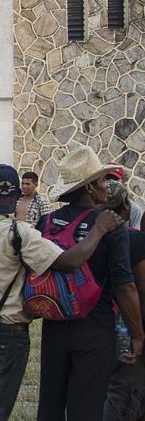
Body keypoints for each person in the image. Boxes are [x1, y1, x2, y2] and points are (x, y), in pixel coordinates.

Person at [0, 164, 118, 420]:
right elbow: (67, 261)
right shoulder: (20, 232)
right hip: (10, 328)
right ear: (18, 196)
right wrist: (99, 229)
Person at [36, 147, 143, 420]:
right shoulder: (110, 225)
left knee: (50, 402)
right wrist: (138, 335)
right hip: (95, 329)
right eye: (102, 180)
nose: (106, 186)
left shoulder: (46, 222)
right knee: (87, 405)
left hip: (54, 325)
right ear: (91, 188)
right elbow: (124, 285)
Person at [101, 179, 145, 421]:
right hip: (125, 323)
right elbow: (135, 288)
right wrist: (140, 333)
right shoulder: (134, 239)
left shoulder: (87, 234)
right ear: (126, 209)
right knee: (124, 389)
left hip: (91, 322)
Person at [106, 164, 144, 230]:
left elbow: (135, 235)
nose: (112, 182)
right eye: (108, 178)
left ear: (122, 181)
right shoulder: (95, 203)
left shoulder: (134, 209)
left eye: (115, 179)